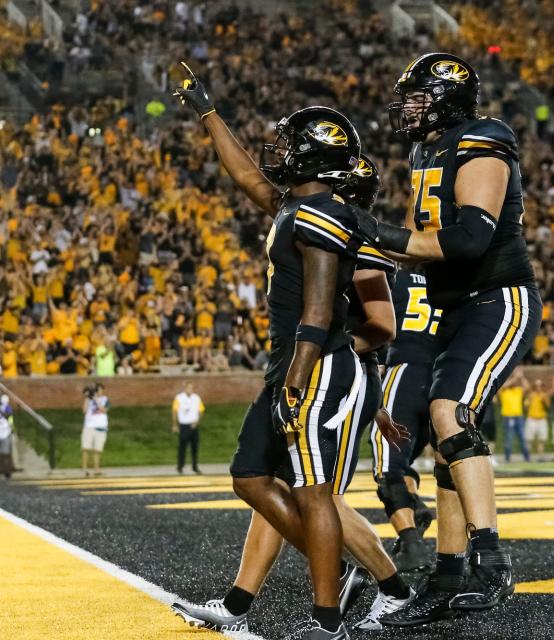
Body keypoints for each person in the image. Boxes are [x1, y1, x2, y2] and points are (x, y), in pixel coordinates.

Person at [170, 72, 408, 639]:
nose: (279, 154)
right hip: (299, 365)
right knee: (252, 475)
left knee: (313, 491)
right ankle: (344, 580)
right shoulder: (295, 207)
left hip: (317, 367)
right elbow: (249, 177)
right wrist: (209, 113)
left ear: (313, 159)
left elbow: (322, 311)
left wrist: (298, 382)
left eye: (290, 145)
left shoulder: (322, 214)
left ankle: (328, 621)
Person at [368, 53, 542, 625]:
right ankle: (447, 575)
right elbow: (423, 241)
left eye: (418, 96)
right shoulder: (425, 149)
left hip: (498, 299)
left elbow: (468, 239)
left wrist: (377, 232)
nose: (408, 107)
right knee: (447, 434)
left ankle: (490, 559)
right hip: (453, 306)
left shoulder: (482, 138)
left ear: (447, 97)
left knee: (450, 410)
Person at [371, 261, 439, 575]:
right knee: (406, 458)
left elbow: (378, 325)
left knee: (388, 468)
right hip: (443, 376)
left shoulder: (394, 277)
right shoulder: (453, 280)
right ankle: (416, 506)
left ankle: (412, 545)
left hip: (405, 372)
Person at [172, 381, 205, 474]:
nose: (190, 390)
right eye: (188, 388)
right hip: (184, 425)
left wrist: (197, 422)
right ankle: (180, 466)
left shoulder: (196, 398)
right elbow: (174, 411)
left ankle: (195, 466)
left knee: (195, 447)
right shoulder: (179, 398)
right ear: (185, 388)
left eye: (192, 388)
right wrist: (175, 424)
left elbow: (201, 411)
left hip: (193, 426)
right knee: (182, 447)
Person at [498, 372, 529, 463]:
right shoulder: (504, 390)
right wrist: (515, 377)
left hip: (519, 417)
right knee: (509, 438)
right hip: (508, 417)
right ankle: (507, 459)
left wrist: (522, 377)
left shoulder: (518, 390)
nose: (514, 383)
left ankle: (527, 458)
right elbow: (504, 386)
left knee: (522, 438)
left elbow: (527, 388)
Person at [82, 383, 109, 476]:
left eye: (102, 390)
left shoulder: (105, 399)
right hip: (89, 426)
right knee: (86, 448)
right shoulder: (88, 400)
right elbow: (84, 411)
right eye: (99, 390)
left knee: (97, 450)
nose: (101, 391)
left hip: (101, 427)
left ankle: (96, 469)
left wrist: (96, 400)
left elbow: (103, 410)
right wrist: (87, 398)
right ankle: (85, 469)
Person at [524, 379, 549, 462]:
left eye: (540, 386)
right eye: (537, 386)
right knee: (529, 439)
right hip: (531, 419)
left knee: (542, 439)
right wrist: (529, 401)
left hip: (542, 419)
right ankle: (528, 457)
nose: (539, 387)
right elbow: (525, 407)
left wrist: (544, 401)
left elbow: (548, 407)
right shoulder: (531, 395)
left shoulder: (545, 395)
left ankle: (540, 457)